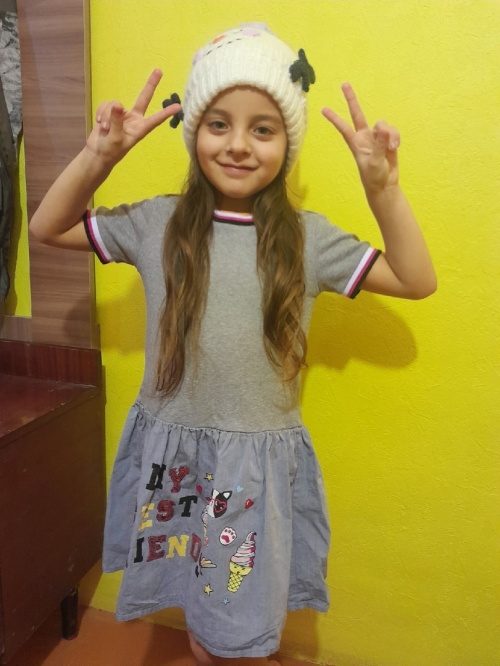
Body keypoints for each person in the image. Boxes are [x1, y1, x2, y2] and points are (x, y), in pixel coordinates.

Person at [30, 23, 436, 666]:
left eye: (263, 128)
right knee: (201, 613)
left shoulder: (307, 240)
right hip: (175, 463)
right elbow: (46, 227)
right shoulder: (156, 222)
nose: (239, 144)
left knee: (236, 623)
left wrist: (382, 188)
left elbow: (417, 280)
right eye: (219, 124)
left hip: (250, 474)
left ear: (287, 142)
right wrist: (99, 158)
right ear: (193, 131)